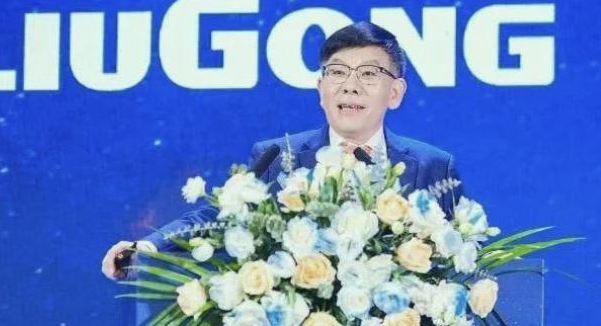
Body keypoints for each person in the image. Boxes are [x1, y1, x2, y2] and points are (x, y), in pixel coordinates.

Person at [101, 21, 464, 280]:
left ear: (395, 93)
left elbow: (457, 255)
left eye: (368, 74)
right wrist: (149, 248)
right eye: (337, 72)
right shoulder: (276, 157)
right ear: (321, 90)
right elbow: (218, 218)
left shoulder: (433, 166)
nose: (350, 86)